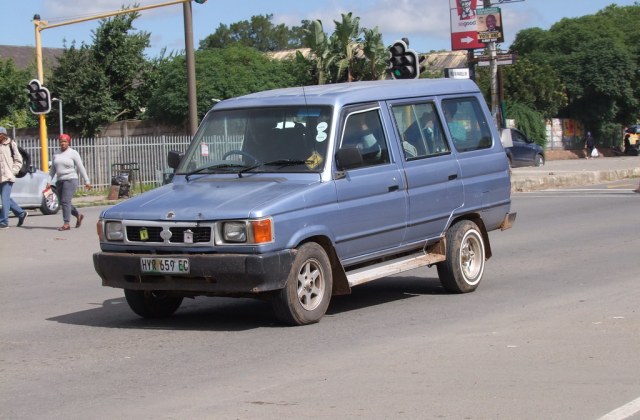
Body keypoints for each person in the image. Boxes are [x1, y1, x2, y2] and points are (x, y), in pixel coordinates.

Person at [47, 133, 92, 231]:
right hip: (60, 181)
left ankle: (66, 223)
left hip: (71, 179)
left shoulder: (73, 153)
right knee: (64, 203)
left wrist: (87, 181)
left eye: (65, 142)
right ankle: (78, 215)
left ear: (68, 142)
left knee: (65, 201)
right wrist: (48, 181)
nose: (63, 143)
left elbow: (80, 167)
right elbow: (53, 170)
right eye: (61, 141)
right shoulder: (56, 153)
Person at [0, 127, 29, 229]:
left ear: (3, 135)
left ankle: (4, 222)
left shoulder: (11, 144)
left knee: (4, 199)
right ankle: (21, 213)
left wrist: (13, 172)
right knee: (6, 199)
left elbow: (18, 160)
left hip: (7, 177)